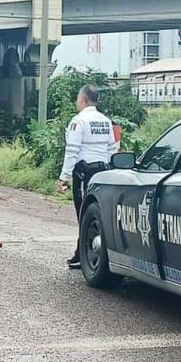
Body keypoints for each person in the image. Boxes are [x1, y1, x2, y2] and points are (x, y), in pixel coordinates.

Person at [56, 84, 117, 269]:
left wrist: (64, 177)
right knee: (98, 213)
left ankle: (85, 255)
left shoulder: (79, 121)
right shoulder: (105, 121)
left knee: (84, 214)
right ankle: (80, 253)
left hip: (84, 174)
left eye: (77, 98)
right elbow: (112, 149)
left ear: (82, 99)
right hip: (102, 172)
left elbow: (72, 150)